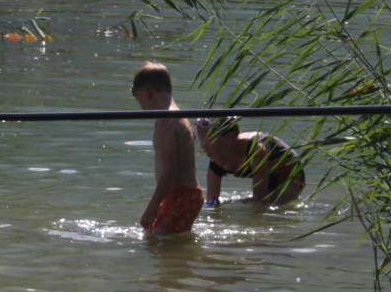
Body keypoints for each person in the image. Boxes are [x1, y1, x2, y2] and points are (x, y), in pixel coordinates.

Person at [131, 62, 202, 237]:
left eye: (138, 99)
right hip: (186, 195)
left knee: (155, 242)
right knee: (168, 245)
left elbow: (170, 171)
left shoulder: (165, 120)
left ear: (147, 93)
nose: (140, 105)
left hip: (181, 196)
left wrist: (151, 208)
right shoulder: (180, 116)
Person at [200, 117, 306, 208]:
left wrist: (227, 203)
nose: (202, 146)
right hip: (268, 176)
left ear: (229, 137)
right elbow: (211, 201)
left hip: (290, 175)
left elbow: (259, 200)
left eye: (208, 140)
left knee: (267, 208)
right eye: (201, 140)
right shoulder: (216, 159)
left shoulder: (256, 149)